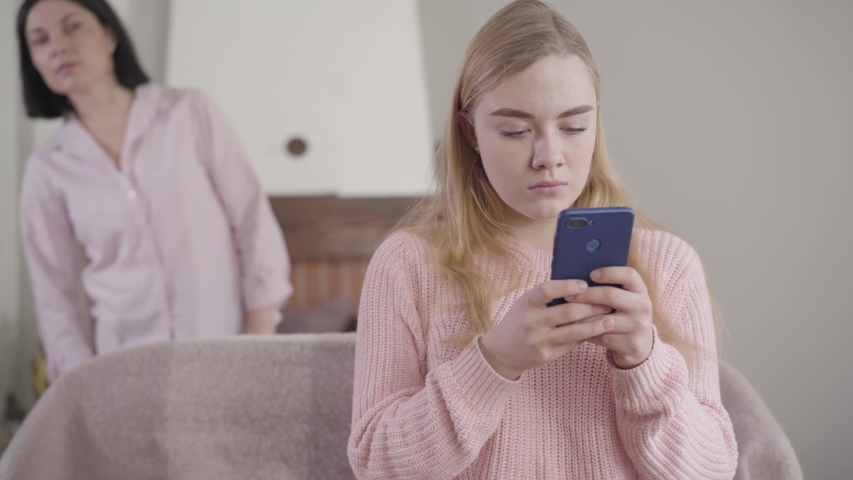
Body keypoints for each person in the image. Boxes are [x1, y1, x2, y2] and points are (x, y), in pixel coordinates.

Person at [347, 1, 738, 478]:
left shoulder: (668, 265)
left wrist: (645, 364)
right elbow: (376, 464)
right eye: (515, 131)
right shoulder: (408, 264)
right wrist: (493, 362)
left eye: (574, 127)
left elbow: (712, 470)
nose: (549, 156)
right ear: (470, 132)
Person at [17, 0, 293, 383]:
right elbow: (53, 298)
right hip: (125, 369)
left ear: (110, 34)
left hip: (227, 351)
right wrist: (84, 387)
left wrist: (259, 333)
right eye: (40, 40)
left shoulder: (189, 112)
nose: (58, 47)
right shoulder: (47, 169)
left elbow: (252, 222)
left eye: (72, 27)